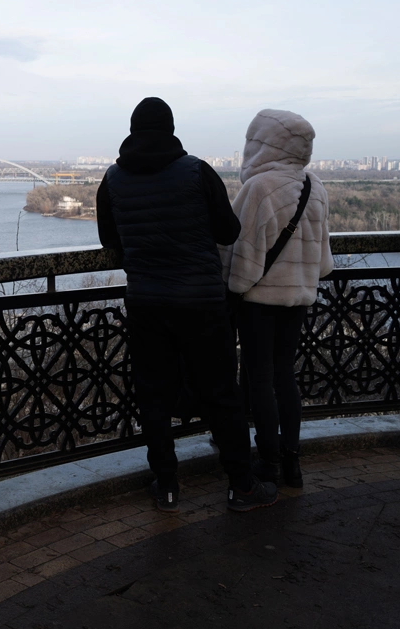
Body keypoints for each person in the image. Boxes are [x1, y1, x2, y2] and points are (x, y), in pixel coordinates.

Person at [97, 97, 278, 513]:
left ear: (132, 130)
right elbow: (228, 231)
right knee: (221, 393)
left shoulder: (111, 179)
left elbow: (111, 241)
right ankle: (242, 486)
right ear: (171, 128)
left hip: (146, 304)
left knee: (153, 395)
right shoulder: (197, 171)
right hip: (201, 303)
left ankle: (166, 485)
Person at [223, 109, 333, 488]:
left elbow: (241, 255)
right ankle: (292, 462)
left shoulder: (259, 188)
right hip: (299, 299)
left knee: (259, 379)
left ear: (262, 144)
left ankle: (267, 461)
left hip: (259, 303)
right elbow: (323, 261)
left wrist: (233, 290)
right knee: (285, 378)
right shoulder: (314, 187)